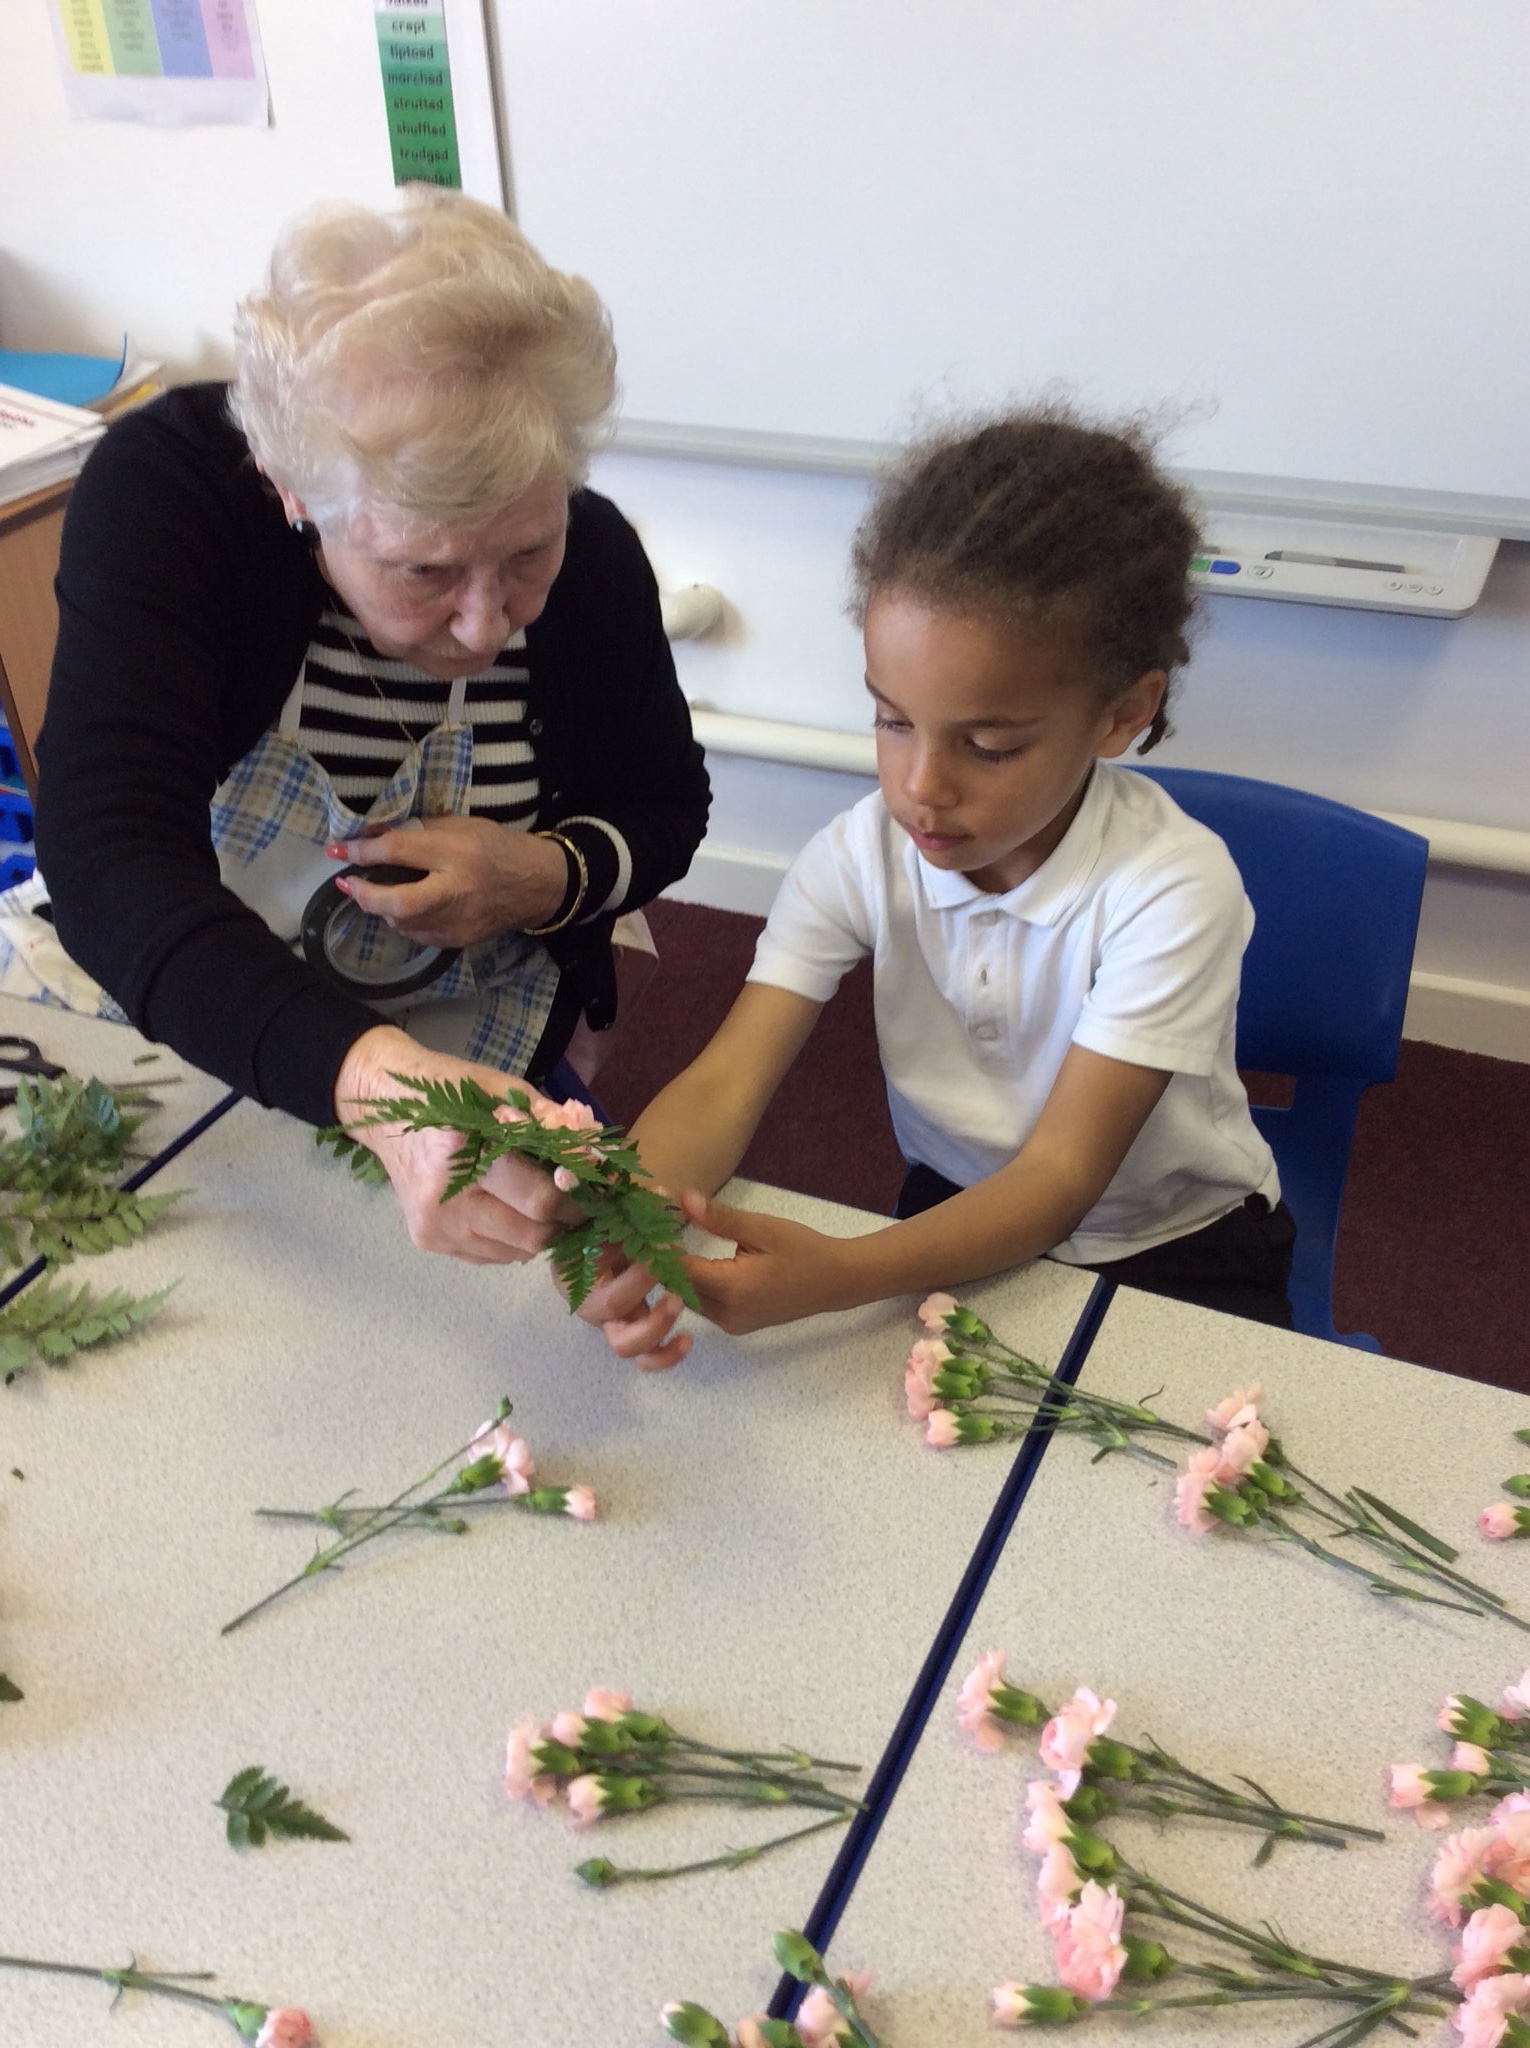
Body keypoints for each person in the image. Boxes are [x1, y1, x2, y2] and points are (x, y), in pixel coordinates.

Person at [32, 188, 709, 1263]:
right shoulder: (171, 497)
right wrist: (377, 1085)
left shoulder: (599, 561)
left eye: (528, 550)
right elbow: (110, 856)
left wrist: (541, 876)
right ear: (293, 491)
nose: (487, 623)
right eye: (425, 569)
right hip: (200, 1009)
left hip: (477, 1039)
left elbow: (667, 807)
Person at [578, 408, 1295, 1367]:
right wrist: (635, 1218)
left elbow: (1061, 1175)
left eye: (989, 747)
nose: (920, 788)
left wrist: (843, 1273)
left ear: (1123, 712)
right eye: (891, 721)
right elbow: (723, 1081)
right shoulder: (856, 855)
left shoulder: (1173, 887)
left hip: (1172, 1242)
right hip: (953, 1204)